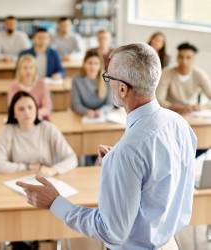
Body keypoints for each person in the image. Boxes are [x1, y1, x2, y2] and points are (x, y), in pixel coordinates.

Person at [17, 43, 197, 250]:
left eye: (108, 77)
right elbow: (159, 181)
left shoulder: (129, 151)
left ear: (122, 89)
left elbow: (111, 231)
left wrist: (55, 202)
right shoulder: (179, 123)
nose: (106, 82)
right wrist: (121, 167)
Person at [0, 91, 77, 176]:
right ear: (14, 114)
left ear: (36, 109)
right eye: (21, 109)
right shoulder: (7, 130)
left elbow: (72, 158)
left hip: (46, 178)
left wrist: (53, 170)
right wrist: (28, 167)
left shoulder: (48, 128)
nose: (27, 112)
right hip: (17, 178)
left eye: (30, 107)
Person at [156, 42, 211, 114]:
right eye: (181, 57)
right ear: (177, 58)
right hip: (171, 112)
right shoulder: (166, 73)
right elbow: (159, 99)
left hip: (192, 113)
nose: (184, 61)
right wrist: (176, 107)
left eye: (188, 57)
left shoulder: (200, 75)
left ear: (193, 59)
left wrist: (201, 107)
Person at [7, 54, 52, 119]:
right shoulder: (13, 86)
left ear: (35, 69)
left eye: (31, 67)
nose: (28, 71)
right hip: (20, 120)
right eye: (25, 68)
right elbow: (11, 108)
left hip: (39, 118)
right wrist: (26, 116)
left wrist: (33, 114)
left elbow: (47, 107)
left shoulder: (42, 84)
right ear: (20, 70)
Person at [71, 50, 112, 117]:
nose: (92, 66)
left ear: (100, 65)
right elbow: (76, 104)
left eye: (96, 63)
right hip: (82, 116)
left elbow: (109, 104)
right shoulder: (76, 80)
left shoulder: (107, 79)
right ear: (84, 64)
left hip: (102, 116)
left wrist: (102, 111)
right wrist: (86, 111)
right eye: (90, 63)